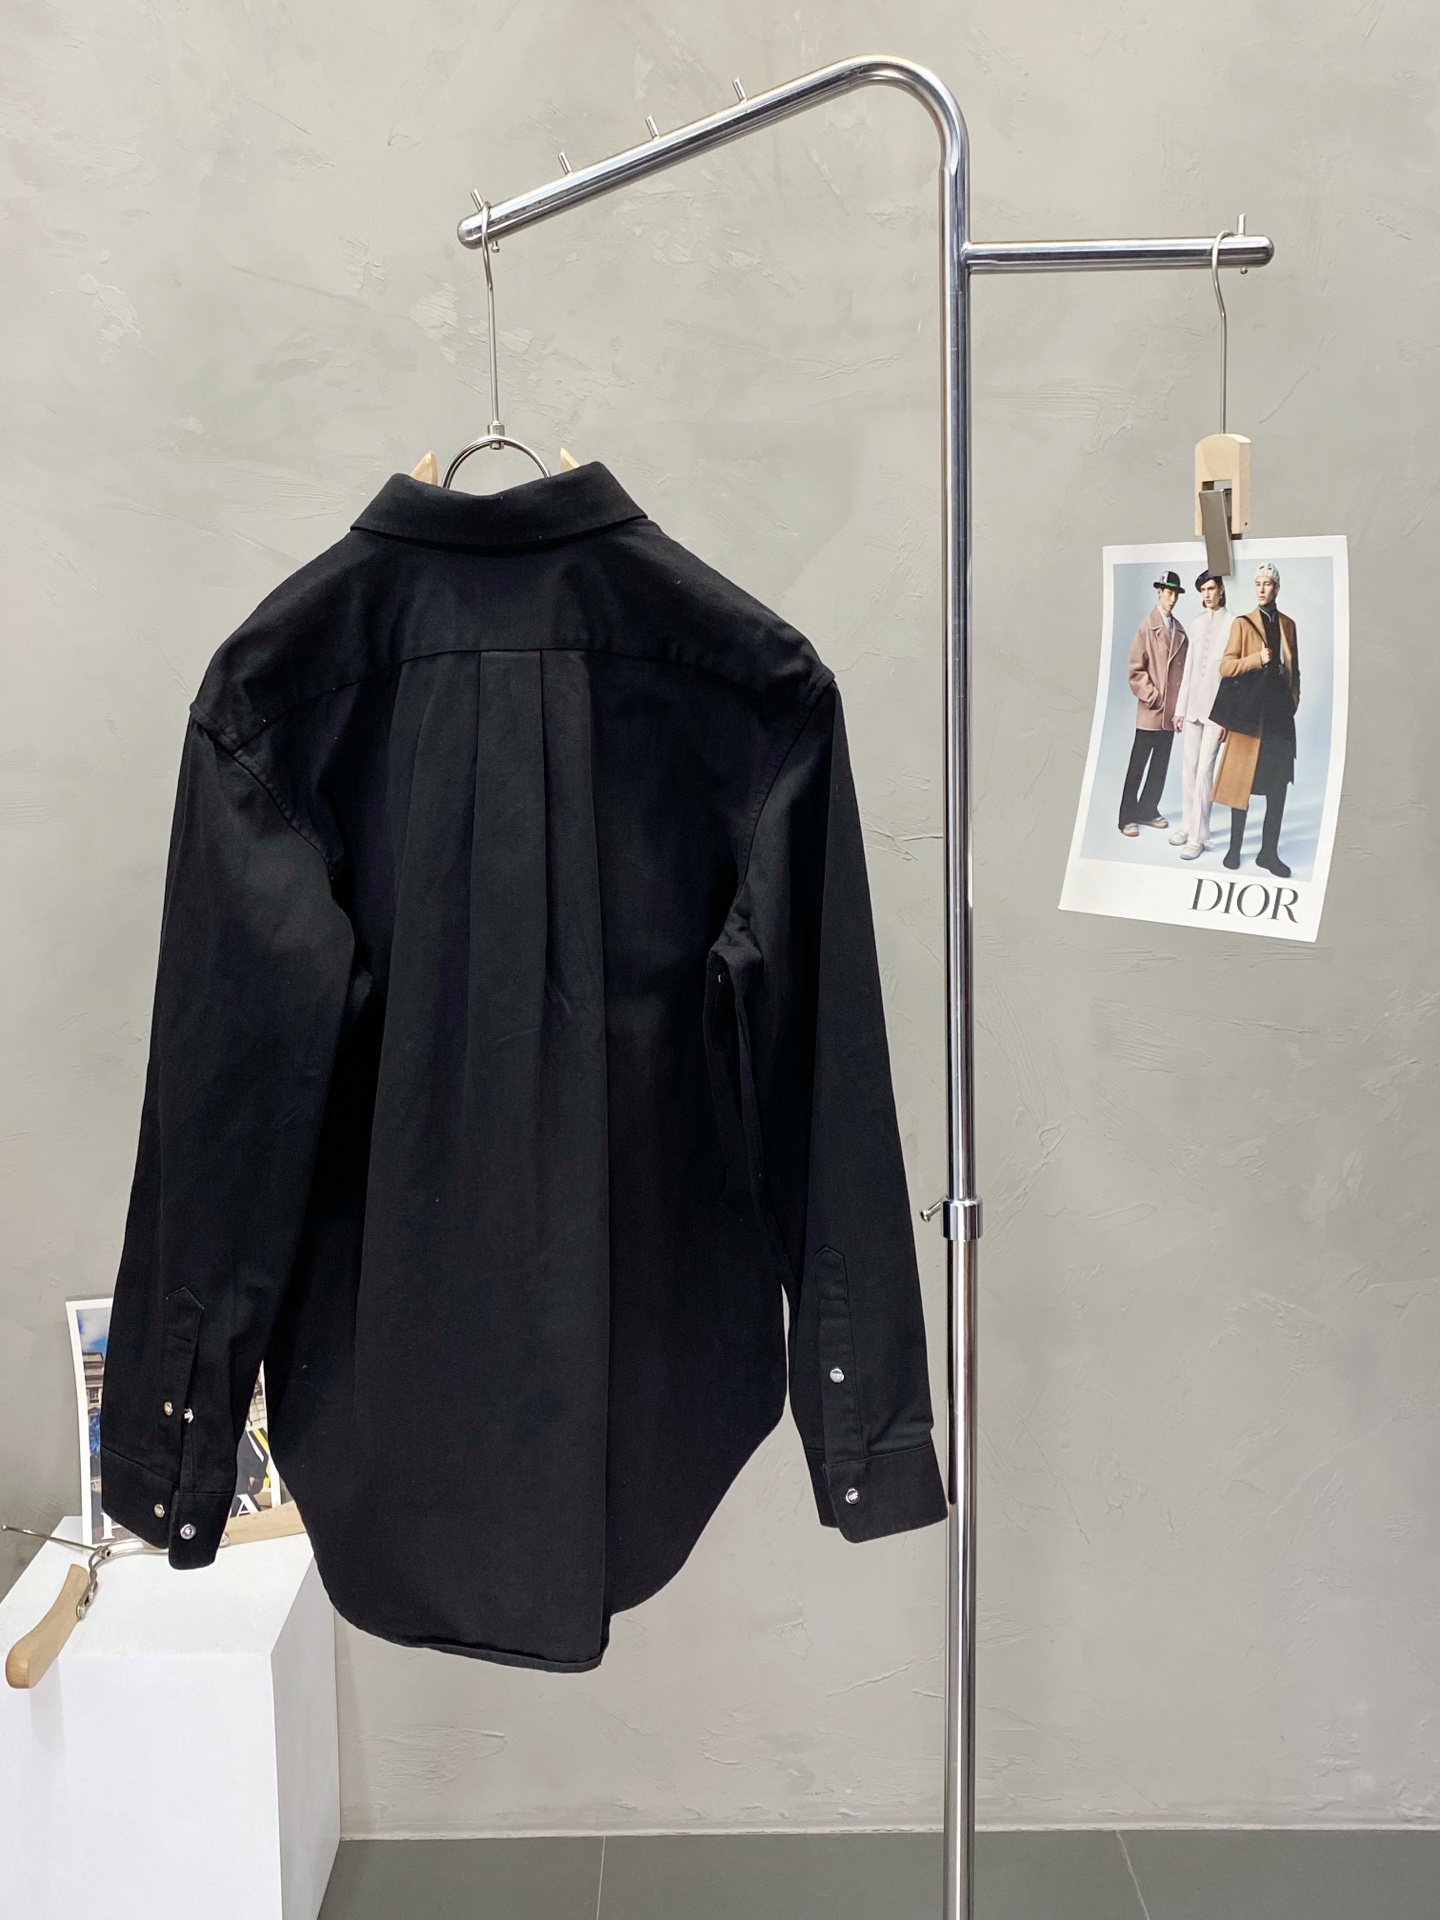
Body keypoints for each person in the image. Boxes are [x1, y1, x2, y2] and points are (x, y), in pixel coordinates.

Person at [1210, 563, 1300, 877]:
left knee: (1278, 788)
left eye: (1268, 584)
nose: (1262, 589)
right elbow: (1225, 667)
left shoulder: (1288, 624)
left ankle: (1268, 853)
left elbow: (1295, 670)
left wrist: (1293, 701)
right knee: (1241, 784)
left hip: (1279, 718)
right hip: (1250, 717)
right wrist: (1255, 659)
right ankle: (1234, 849)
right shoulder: (1243, 623)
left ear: (1277, 588)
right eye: (1258, 584)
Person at [1118, 570, 1188, 837]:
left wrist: (1179, 709)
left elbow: (1185, 674)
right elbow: (1135, 669)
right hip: (1151, 710)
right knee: (1138, 765)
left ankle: (1148, 810)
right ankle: (1127, 816)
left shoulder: (1180, 631)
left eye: (1175, 594)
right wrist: (1153, 696)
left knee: (1160, 765)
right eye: (1168, 593)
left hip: (1170, 714)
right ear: (1159, 592)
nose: (1172, 599)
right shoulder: (1146, 627)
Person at [1169, 570, 1230, 858]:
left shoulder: (1233, 623)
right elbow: (1189, 669)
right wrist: (1180, 710)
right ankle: (1187, 825)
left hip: (1217, 712)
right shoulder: (1196, 623)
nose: (1207, 595)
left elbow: (1233, 678)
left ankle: (1198, 837)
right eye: (1203, 590)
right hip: (1193, 706)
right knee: (1189, 768)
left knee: (1205, 771)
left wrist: (1227, 717)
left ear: (1221, 590)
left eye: (1211, 589)